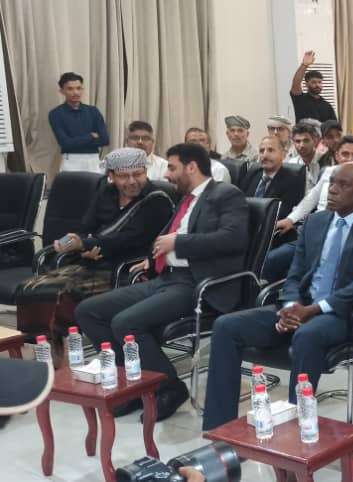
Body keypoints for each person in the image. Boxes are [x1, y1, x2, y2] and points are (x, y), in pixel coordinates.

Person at [202, 163, 353, 430]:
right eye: (331, 182)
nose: (333, 190)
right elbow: (295, 273)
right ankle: (219, 429)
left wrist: (315, 309)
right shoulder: (316, 222)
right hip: (302, 306)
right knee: (225, 326)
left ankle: (296, 430)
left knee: (307, 335)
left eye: (343, 185)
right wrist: (292, 305)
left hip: (345, 311)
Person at [75, 144, 249, 421]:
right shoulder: (186, 198)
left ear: (191, 167)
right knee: (88, 311)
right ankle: (133, 386)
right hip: (166, 277)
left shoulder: (226, 195)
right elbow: (166, 236)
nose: (166, 174)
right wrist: (153, 257)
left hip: (198, 284)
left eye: (172, 167)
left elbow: (233, 238)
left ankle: (169, 387)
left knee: (125, 323)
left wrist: (178, 242)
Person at [14, 149, 172, 339]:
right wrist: (81, 247)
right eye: (124, 176)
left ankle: (66, 346)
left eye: (138, 174)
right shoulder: (106, 193)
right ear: (111, 176)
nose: (132, 181)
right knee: (30, 288)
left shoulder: (157, 201)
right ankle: (44, 345)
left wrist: (85, 244)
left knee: (61, 295)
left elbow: (127, 239)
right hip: (91, 262)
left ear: (145, 172)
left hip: (124, 269)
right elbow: (86, 226)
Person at [265, 136, 353, 282]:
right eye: (345, 154)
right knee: (270, 260)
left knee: (297, 270)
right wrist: (290, 219)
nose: (350, 159)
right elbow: (311, 198)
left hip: (340, 238)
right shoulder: (329, 172)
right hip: (312, 233)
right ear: (337, 155)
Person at [49, 72, 108, 172]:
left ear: (82, 89)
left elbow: (105, 140)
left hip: (93, 160)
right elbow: (65, 143)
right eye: (70, 89)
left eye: (78, 88)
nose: (75, 92)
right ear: (62, 91)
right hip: (70, 161)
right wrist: (90, 136)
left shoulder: (93, 111)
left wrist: (74, 141)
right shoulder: (56, 114)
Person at [240, 136, 306, 223]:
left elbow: (281, 214)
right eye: (261, 151)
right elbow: (239, 202)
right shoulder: (253, 174)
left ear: (283, 155)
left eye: (270, 150)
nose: (265, 155)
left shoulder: (293, 181)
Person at [289, 50, 336, 122]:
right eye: (314, 82)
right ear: (306, 84)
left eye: (319, 82)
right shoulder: (300, 99)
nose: (317, 85)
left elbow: (333, 126)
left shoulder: (327, 106)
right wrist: (304, 65)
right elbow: (296, 83)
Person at [285, 119, 324, 192]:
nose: (302, 145)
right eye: (298, 141)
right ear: (293, 143)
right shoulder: (291, 164)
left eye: (306, 140)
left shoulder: (324, 160)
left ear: (315, 141)